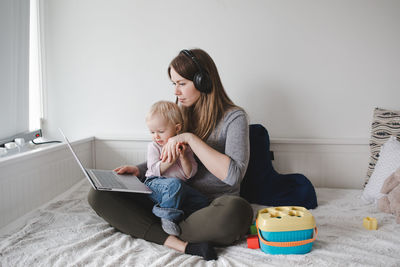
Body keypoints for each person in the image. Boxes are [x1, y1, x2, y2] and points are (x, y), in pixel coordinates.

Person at [88, 48, 253, 261]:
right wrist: (138, 170)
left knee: (237, 210)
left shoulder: (234, 118)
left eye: (182, 83)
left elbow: (233, 175)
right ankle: (178, 240)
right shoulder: (179, 114)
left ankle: (148, 226)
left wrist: (189, 138)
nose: (176, 91)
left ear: (204, 81)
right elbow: (165, 157)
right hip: (168, 198)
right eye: (173, 84)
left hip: (206, 207)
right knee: (98, 193)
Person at [142, 100, 209, 236]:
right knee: (175, 184)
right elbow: (154, 169)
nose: (156, 136)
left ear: (177, 128)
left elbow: (190, 174)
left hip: (179, 188)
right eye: (152, 132)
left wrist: (183, 157)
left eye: (160, 131)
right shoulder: (154, 146)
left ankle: (175, 212)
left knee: (202, 201)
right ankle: (167, 217)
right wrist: (171, 160)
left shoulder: (185, 147)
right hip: (155, 184)